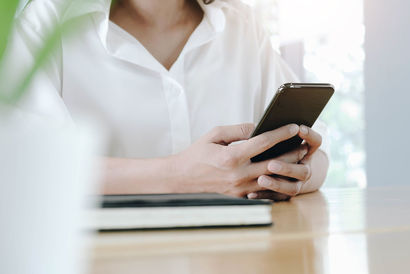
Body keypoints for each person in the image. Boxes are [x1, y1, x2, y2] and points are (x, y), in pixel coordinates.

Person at [5, 0, 329, 200]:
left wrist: (295, 176)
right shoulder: (49, 22)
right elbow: (26, 170)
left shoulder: (241, 26)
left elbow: (318, 158)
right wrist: (179, 175)